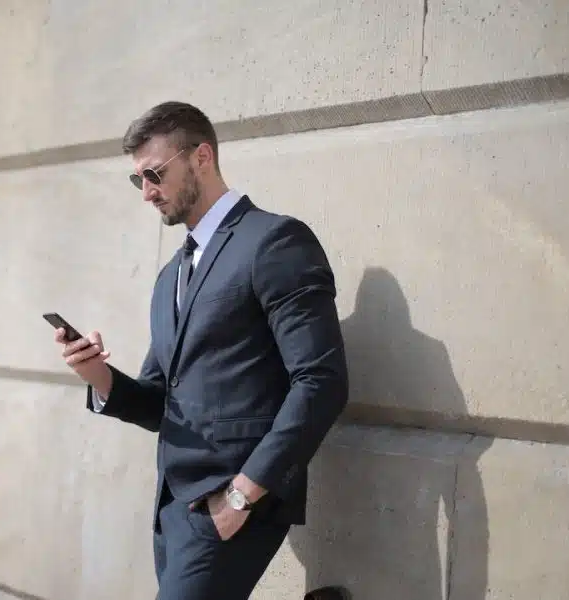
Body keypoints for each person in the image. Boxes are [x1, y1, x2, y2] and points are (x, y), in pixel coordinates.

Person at [53, 101, 351, 600]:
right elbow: (159, 402)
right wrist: (97, 375)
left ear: (202, 157)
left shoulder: (274, 242)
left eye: (154, 174)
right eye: (137, 180)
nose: (146, 192)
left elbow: (322, 381)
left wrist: (243, 494)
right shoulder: (170, 276)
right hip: (174, 511)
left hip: (233, 499)